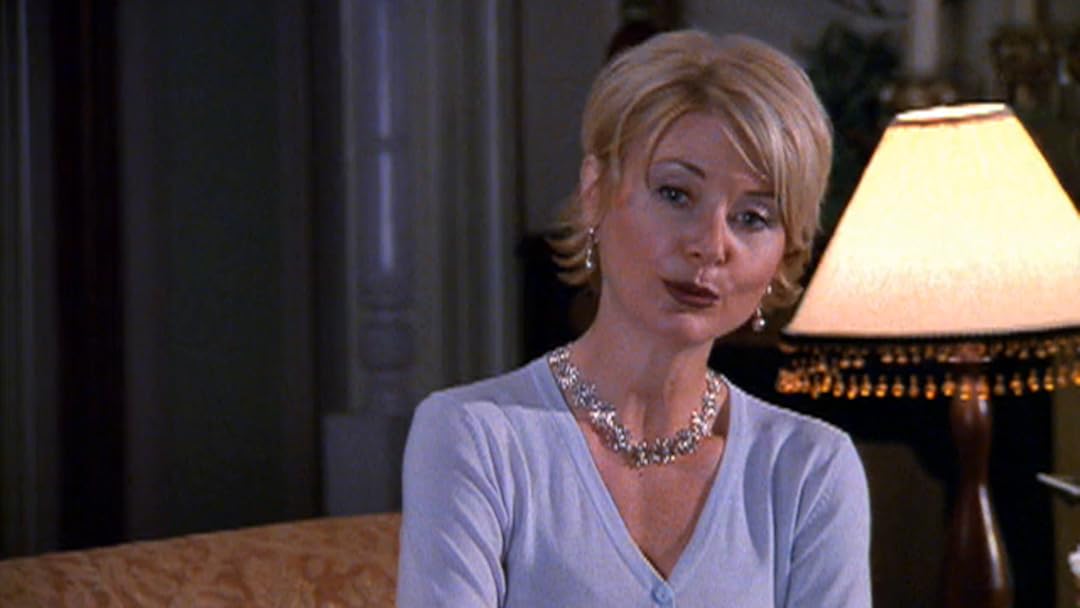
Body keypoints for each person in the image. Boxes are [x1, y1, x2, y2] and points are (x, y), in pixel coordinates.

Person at [397, 30, 871, 607]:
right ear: (595, 192)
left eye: (752, 218)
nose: (710, 245)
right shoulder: (475, 439)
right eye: (675, 194)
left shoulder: (808, 469)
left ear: (786, 252)